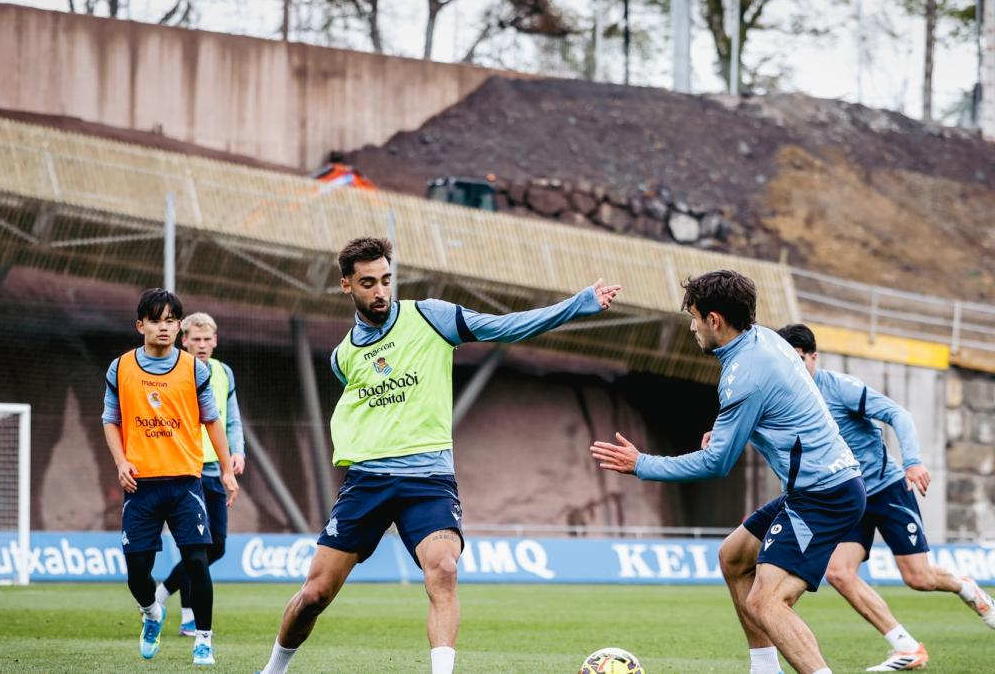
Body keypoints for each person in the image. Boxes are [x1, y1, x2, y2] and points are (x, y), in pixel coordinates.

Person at [258, 237, 620, 674]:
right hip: (367, 483)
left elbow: (507, 327)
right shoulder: (343, 357)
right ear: (346, 285)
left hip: (428, 480)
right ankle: (272, 670)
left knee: (444, 570)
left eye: (386, 280)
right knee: (315, 594)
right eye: (368, 283)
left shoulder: (432, 317)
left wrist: (580, 304)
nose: (381, 291)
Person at [591, 270, 865, 674]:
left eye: (694, 317)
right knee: (733, 558)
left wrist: (642, 464)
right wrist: (729, 431)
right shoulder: (765, 340)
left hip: (824, 495)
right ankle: (764, 669)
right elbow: (784, 407)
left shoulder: (744, 375)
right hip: (818, 488)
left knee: (767, 603)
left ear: (714, 320)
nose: (692, 327)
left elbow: (716, 464)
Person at [712, 323, 995, 672]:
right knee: (839, 572)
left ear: (814, 357)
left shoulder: (839, 387)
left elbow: (897, 414)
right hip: (843, 496)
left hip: (886, 488)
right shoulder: (785, 393)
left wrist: (912, 461)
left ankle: (964, 586)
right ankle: (906, 646)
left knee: (918, 578)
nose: (794, 365)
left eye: (800, 358)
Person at [101, 288, 239, 666]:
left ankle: (204, 641)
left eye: (171, 321)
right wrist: (120, 462)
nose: (164, 327)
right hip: (140, 485)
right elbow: (111, 420)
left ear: (179, 327)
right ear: (140, 325)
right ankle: (152, 613)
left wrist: (227, 470)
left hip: (185, 483)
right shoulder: (120, 368)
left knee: (198, 560)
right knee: (136, 574)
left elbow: (213, 421)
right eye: (156, 320)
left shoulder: (195, 369)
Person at [154, 312, 247, 636]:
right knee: (195, 546)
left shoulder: (224, 372)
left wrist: (236, 452)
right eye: (196, 339)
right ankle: (188, 619)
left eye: (208, 339)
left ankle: (162, 592)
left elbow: (231, 419)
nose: (202, 345)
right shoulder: (175, 370)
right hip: (186, 470)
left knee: (216, 546)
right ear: (185, 341)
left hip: (215, 471)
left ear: (215, 340)